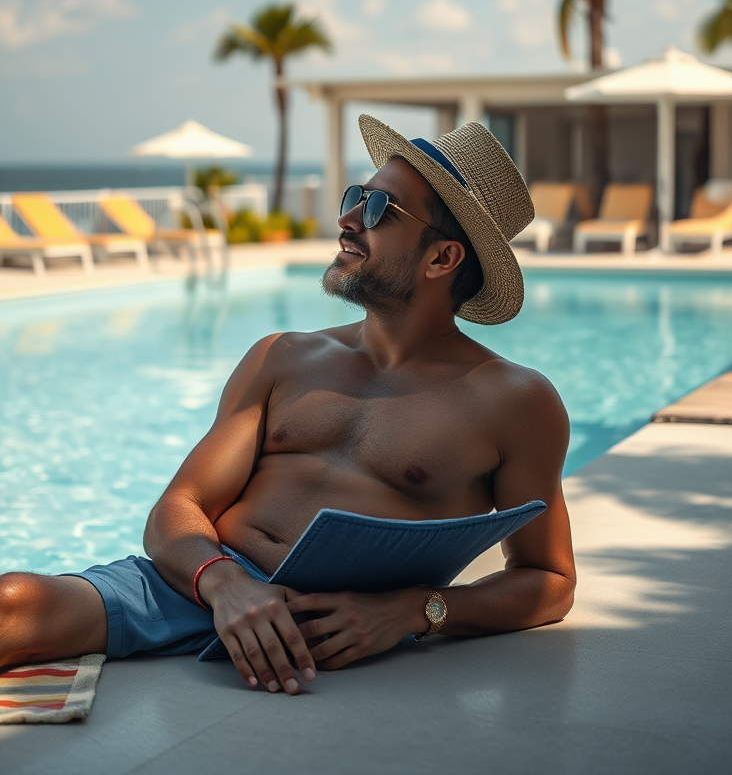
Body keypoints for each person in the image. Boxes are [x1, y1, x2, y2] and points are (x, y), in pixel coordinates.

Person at [0, 115, 575, 696]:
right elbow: (180, 506)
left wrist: (414, 612)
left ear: (442, 258)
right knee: (11, 605)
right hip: (199, 583)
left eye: (379, 210)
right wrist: (224, 584)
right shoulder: (283, 357)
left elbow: (548, 580)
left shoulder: (512, 401)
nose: (347, 218)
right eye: (357, 197)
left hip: (330, 620)